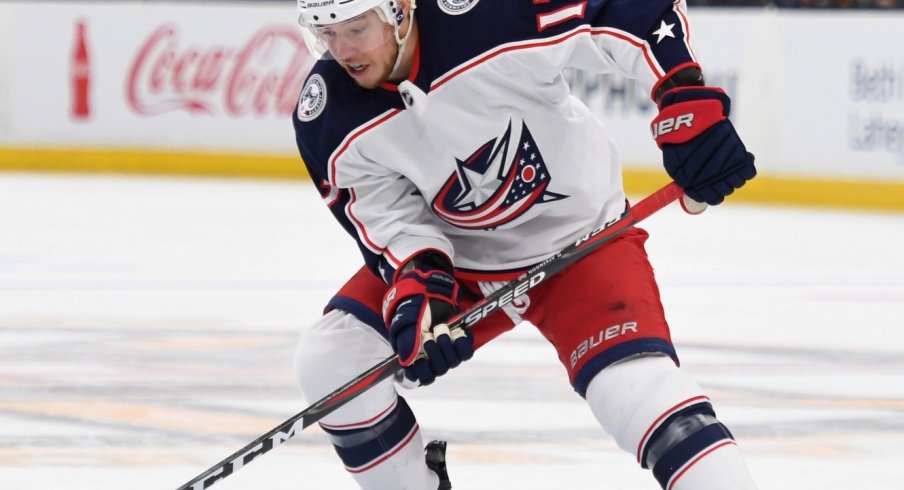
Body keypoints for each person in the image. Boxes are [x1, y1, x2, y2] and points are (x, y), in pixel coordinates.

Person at [290, 0, 758, 488]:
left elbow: (621, 10)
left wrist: (681, 93)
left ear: (400, 10)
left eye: (356, 29)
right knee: (332, 358)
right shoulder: (327, 112)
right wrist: (419, 286)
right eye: (327, 33)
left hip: (581, 242)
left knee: (638, 393)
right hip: (462, 262)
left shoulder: (486, 15)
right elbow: (388, 219)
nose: (342, 50)